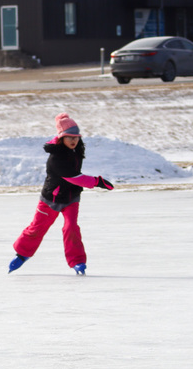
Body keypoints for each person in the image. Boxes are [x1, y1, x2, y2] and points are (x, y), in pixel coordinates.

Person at [8, 113, 114, 275]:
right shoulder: (56, 157)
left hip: (71, 197)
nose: (74, 141)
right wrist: (97, 181)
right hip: (51, 197)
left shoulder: (76, 151)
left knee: (71, 227)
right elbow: (74, 177)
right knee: (37, 228)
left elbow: (75, 178)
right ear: (61, 138)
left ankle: (77, 261)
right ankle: (22, 254)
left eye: (76, 137)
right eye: (69, 137)